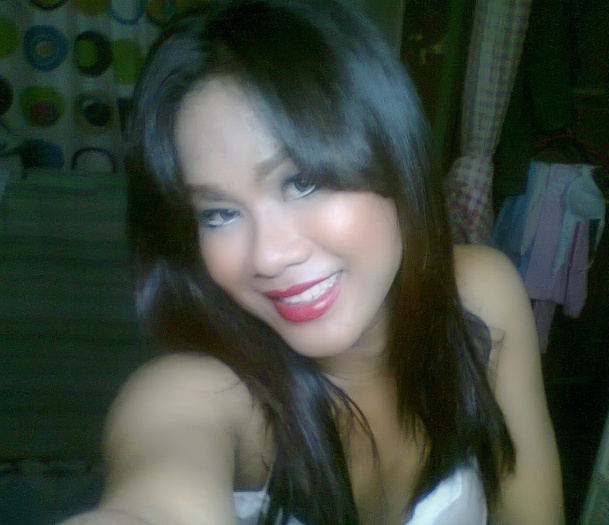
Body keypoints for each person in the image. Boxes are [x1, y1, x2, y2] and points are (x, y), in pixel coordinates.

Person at [61, 1, 563, 523]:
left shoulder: (483, 294)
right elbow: (156, 493)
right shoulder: (196, 396)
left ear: (394, 154)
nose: (268, 256)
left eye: (302, 182)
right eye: (219, 213)